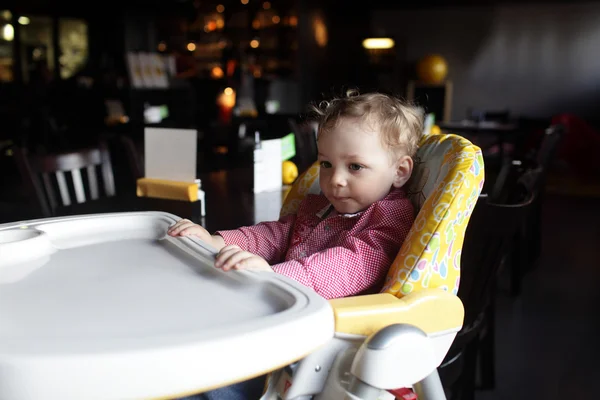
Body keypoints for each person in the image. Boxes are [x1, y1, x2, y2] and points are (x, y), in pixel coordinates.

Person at [167, 91, 424, 399]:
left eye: (355, 167)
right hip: (285, 313)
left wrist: (276, 275)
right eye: (326, 164)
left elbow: (350, 265)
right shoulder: (321, 207)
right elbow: (277, 234)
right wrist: (217, 240)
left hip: (328, 339)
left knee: (220, 373)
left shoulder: (389, 217)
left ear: (400, 171)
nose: (335, 180)